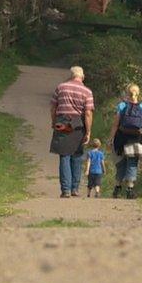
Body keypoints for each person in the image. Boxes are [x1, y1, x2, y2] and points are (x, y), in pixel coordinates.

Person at [49, 66, 94, 198]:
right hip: (78, 124)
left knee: (64, 155)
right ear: (82, 77)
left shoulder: (61, 87)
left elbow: (53, 107)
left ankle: (66, 190)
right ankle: (75, 188)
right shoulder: (87, 92)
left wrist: (54, 121)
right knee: (77, 155)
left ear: (71, 75)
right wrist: (88, 131)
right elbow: (88, 113)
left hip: (62, 122)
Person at [109, 83, 142, 199]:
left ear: (127, 93)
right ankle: (130, 189)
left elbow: (115, 125)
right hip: (137, 139)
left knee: (121, 163)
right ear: (138, 93)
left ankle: (117, 188)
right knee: (132, 163)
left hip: (122, 138)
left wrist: (111, 138)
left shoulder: (122, 106)